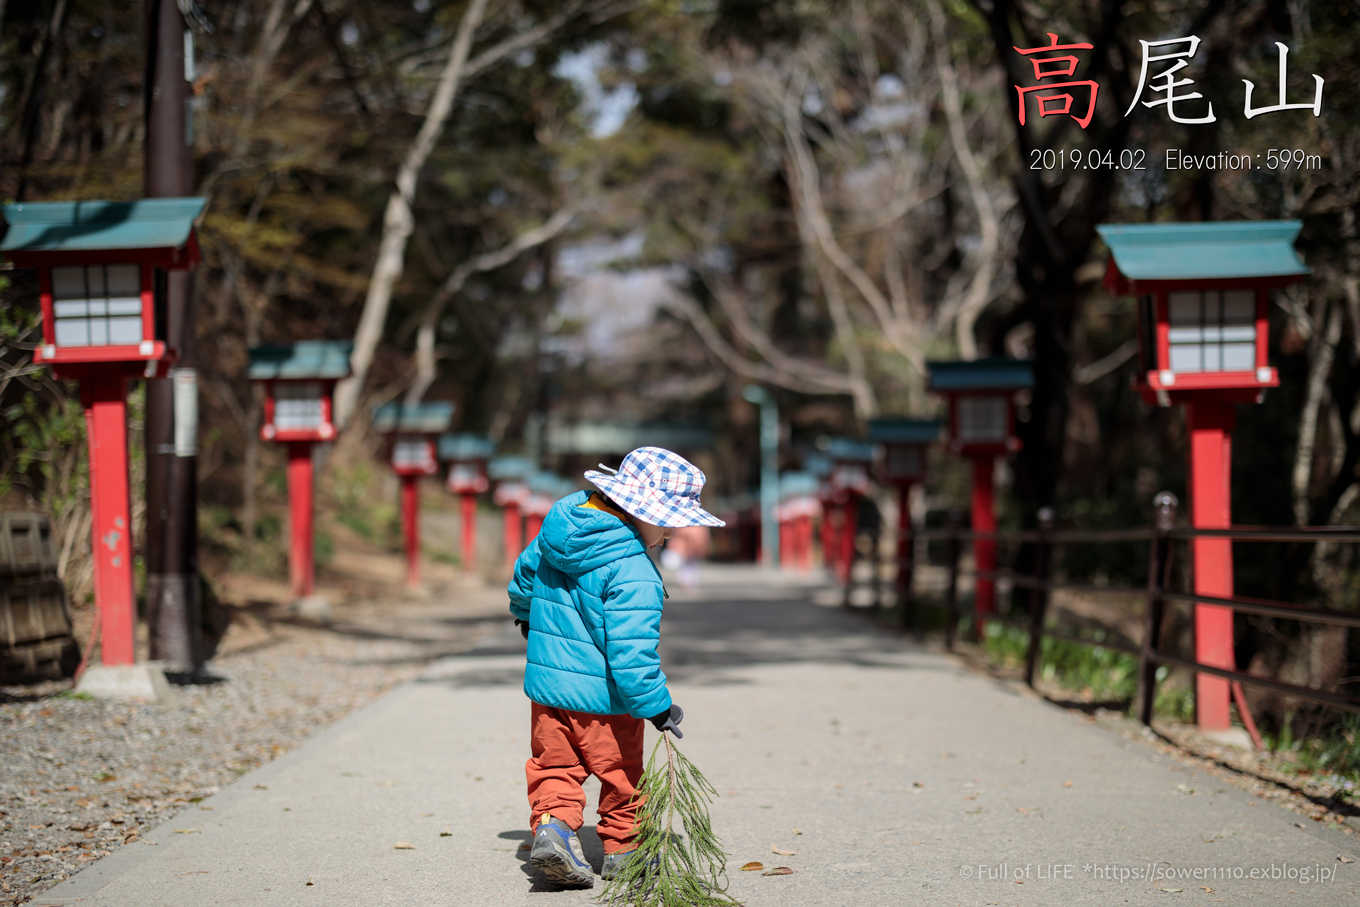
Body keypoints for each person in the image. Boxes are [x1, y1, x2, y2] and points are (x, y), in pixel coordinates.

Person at [507, 447, 725, 888]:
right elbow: (631, 653)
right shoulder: (634, 572)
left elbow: (524, 578)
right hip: (607, 701)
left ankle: (553, 831)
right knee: (622, 776)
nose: (667, 535)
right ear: (638, 512)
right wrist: (657, 706)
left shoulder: (556, 532)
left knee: (554, 768)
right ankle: (625, 852)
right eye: (665, 523)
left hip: (548, 692)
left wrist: (527, 616)